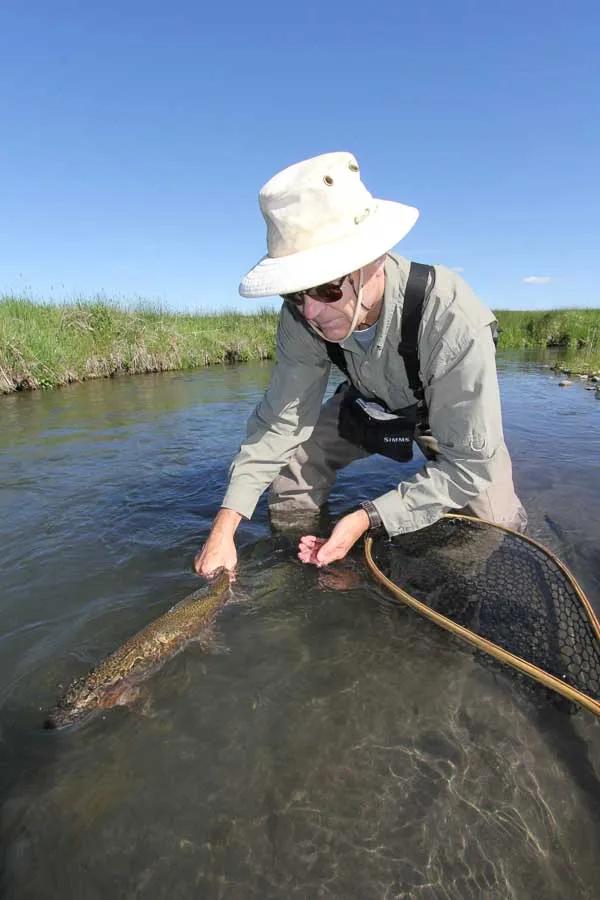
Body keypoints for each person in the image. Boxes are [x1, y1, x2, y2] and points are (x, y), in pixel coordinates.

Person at [194, 151, 527, 577]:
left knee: (493, 525)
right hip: (366, 404)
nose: (310, 312)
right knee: (294, 466)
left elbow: (469, 464)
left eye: (324, 289)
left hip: (446, 426)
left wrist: (366, 517)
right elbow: (280, 423)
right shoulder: (303, 316)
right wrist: (224, 530)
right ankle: (302, 568)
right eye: (296, 294)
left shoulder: (452, 315)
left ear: (374, 261)